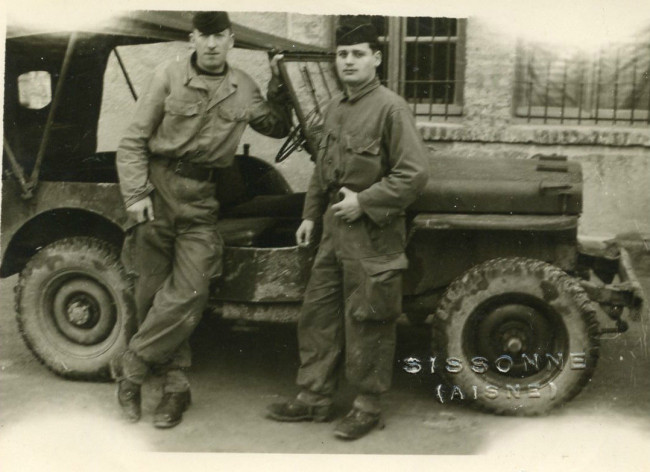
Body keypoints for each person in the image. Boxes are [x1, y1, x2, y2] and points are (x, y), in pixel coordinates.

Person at [112, 11, 291, 429]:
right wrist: (136, 194)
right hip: (158, 191)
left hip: (202, 201)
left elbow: (278, 126)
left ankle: (131, 371)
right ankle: (176, 389)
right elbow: (133, 141)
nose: (212, 44)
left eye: (220, 36)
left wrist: (279, 82)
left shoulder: (243, 86)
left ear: (231, 41)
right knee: (150, 294)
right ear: (192, 39)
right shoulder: (168, 76)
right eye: (204, 36)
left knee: (192, 290)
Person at [266, 22, 429, 440]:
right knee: (318, 315)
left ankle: (367, 406)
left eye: (358, 54)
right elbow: (322, 171)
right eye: (342, 54)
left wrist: (365, 202)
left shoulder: (391, 109)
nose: (349, 62)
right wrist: (309, 216)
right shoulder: (336, 108)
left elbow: (412, 174)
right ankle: (314, 397)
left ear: (376, 58)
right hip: (332, 232)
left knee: (369, 319)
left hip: (373, 235)